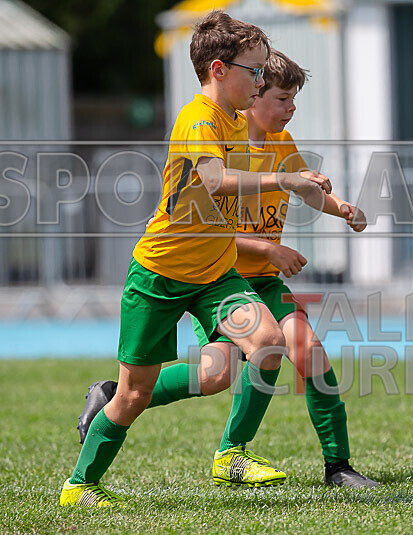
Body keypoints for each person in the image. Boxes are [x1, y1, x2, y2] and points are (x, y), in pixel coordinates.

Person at [60, 11, 333, 507]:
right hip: (159, 275)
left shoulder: (235, 118)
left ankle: (231, 454)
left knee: (265, 345)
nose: (261, 78)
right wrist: (286, 179)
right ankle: (80, 485)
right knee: (134, 395)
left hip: (213, 275)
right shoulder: (198, 118)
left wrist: (315, 194)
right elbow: (213, 180)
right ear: (219, 69)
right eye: (255, 70)